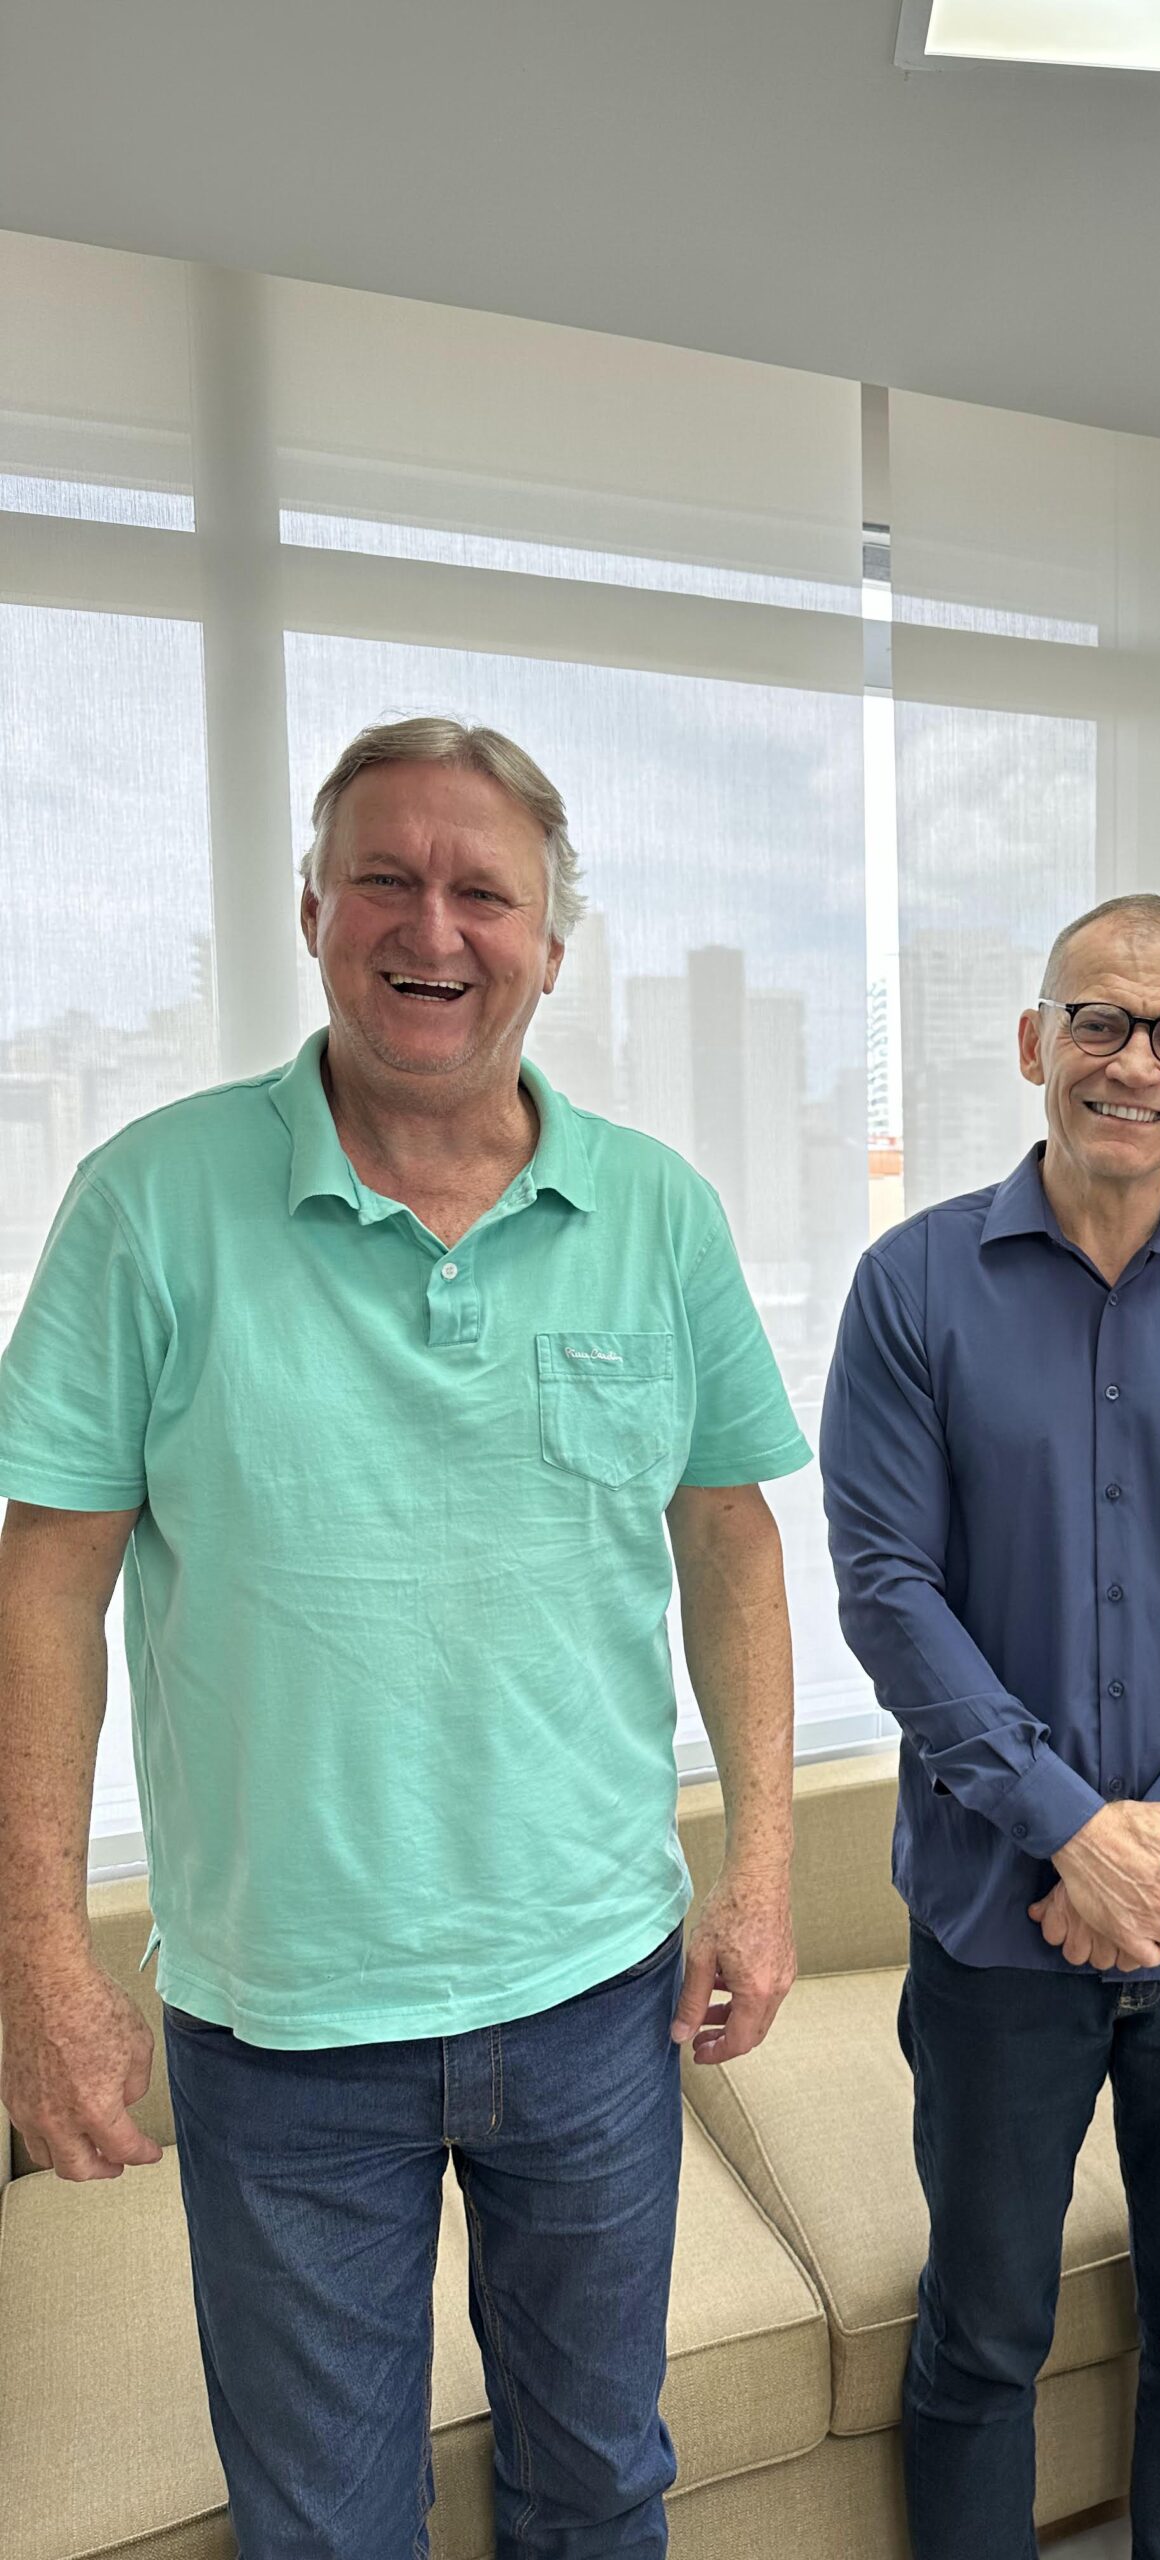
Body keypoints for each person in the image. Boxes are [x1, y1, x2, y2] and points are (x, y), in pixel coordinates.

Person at [0, 717, 812, 2559]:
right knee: (325, 2529)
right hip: (282, 2018)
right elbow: (41, 1587)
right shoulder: (150, 1200)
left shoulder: (657, 1212)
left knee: (598, 2489)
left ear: (550, 941)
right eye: (384, 878)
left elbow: (730, 1543)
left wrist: (759, 1874)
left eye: (481, 892)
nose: (431, 928)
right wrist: (37, 1955)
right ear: (312, 913)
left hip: (596, 1992)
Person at [820, 892, 1160, 2560]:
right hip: (997, 1925)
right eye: (1100, 1022)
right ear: (1033, 1041)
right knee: (984, 2333)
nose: (1135, 1062)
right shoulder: (913, 1286)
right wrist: (1068, 1830)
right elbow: (889, 1588)